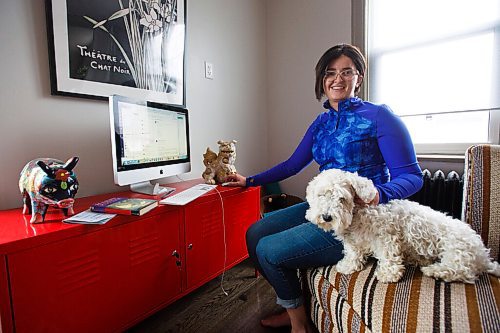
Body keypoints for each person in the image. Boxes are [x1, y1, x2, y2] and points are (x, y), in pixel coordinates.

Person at [225, 43, 423, 333]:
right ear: (321, 79)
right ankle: (291, 302)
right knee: (255, 233)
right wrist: (249, 180)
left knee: (269, 249)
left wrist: (379, 194)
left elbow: (412, 177)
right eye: (330, 72)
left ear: (359, 77)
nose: (337, 79)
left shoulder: (380, 117)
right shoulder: (320, 123)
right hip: (321, 205)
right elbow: (292, 165)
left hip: (357, 217)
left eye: (347, 72)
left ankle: (298, 324)